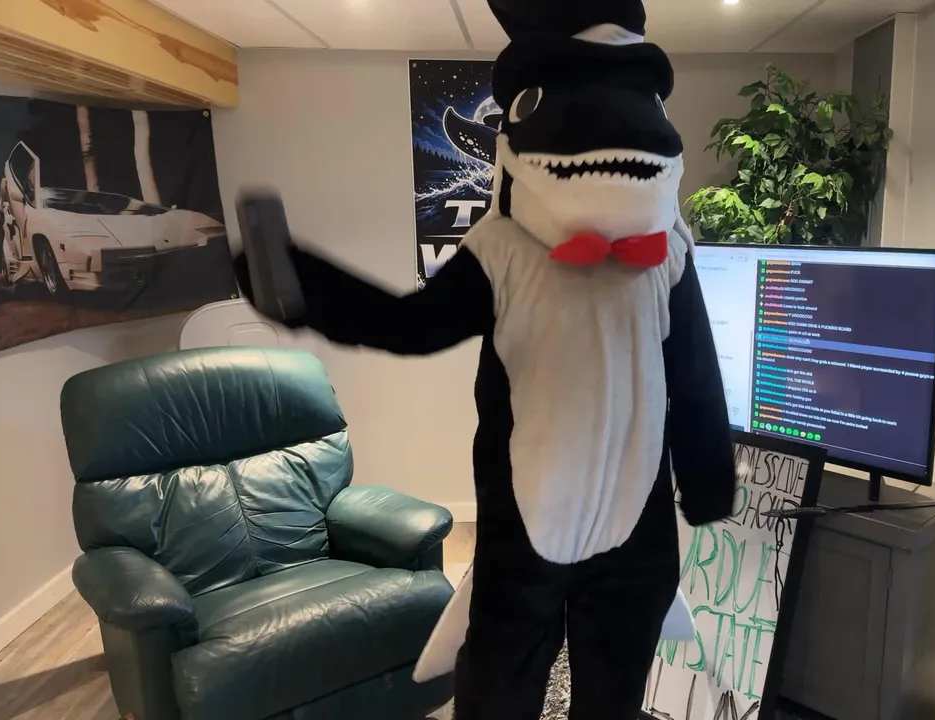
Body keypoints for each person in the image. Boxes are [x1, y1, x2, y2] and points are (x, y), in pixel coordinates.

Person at [236, 2, 735, 717]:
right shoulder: (502, 251)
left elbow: (695, 376)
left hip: (637, 535)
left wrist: (708, 480)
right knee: (500, 685)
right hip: (525, 531)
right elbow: (410, 326)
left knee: (615, 693)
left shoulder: (668, 258)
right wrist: (298, 286)